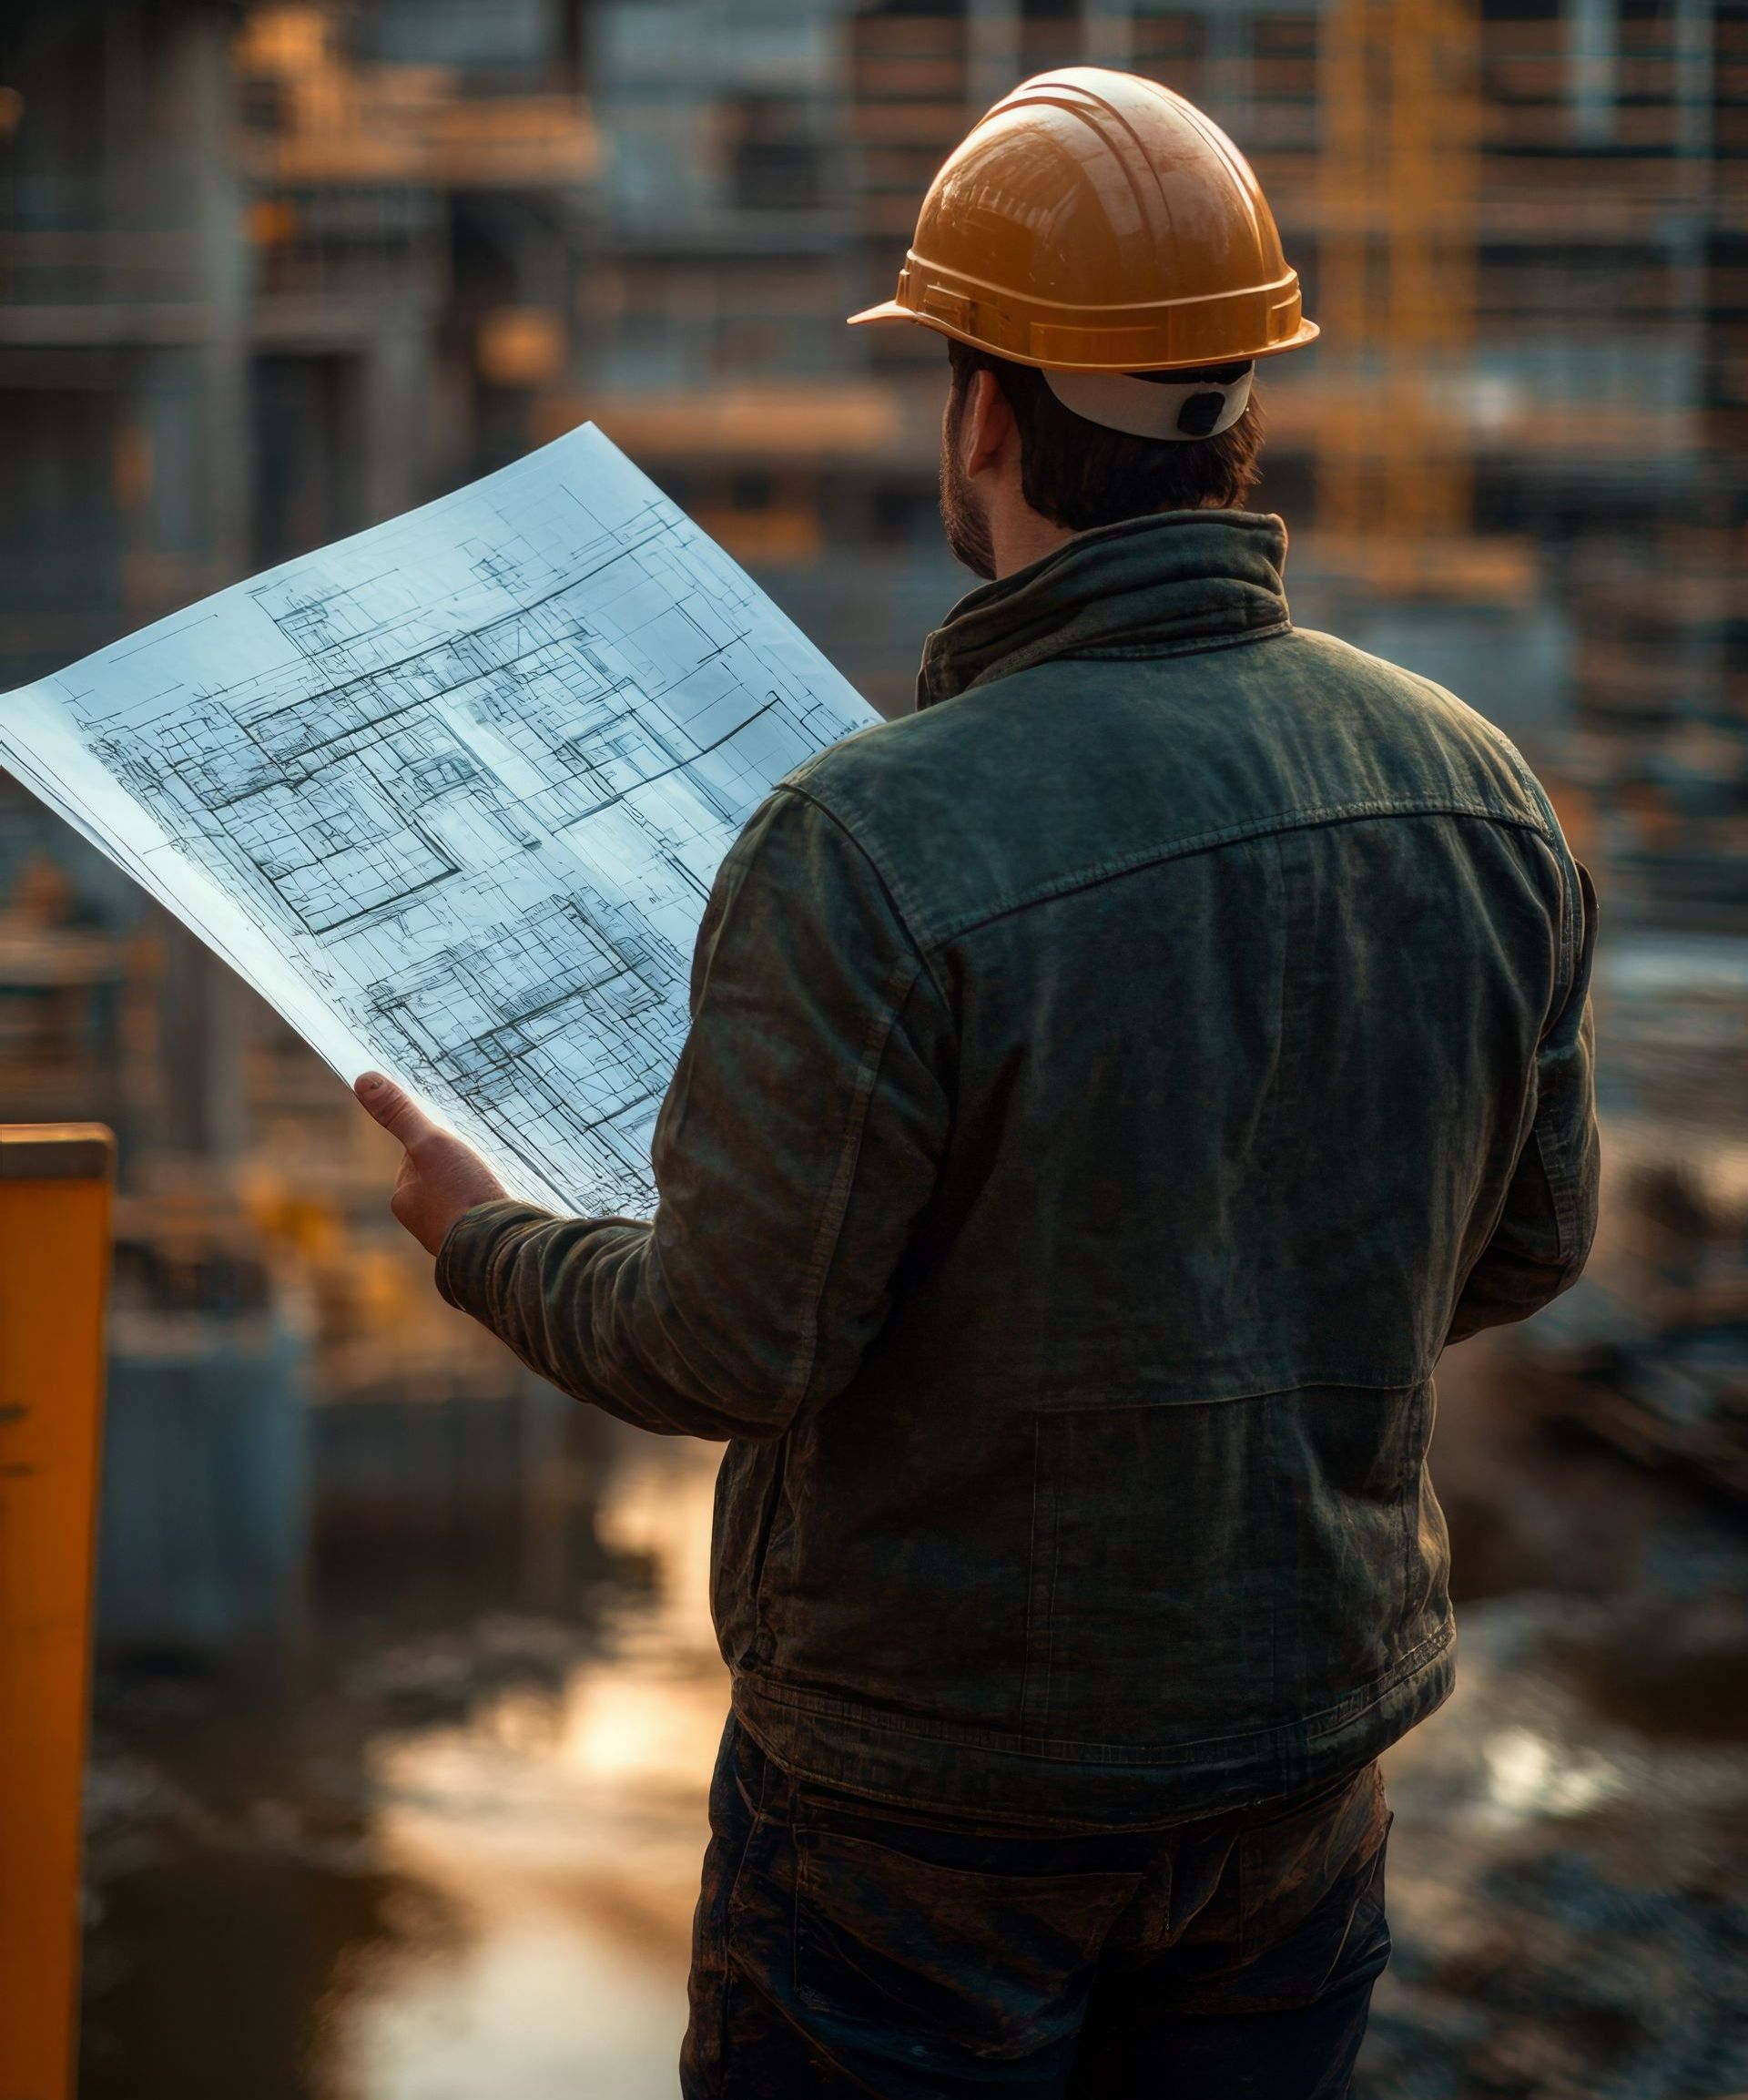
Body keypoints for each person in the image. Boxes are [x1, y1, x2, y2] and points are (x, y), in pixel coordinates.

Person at [356, 68, 1599, 2100]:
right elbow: (1527, 1238)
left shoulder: (869, 840)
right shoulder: (1479, 790)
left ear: (988, 415)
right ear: (1241, 407)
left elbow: (731, 1344)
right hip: (1298, 1770)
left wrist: (479, 1236)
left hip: (921, 1812)